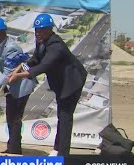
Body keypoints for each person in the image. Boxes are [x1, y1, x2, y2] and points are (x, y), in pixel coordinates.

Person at [8, 13, 88, 156]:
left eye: (42, 30)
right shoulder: (41, 41)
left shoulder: (56, 46)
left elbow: (42, 67)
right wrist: (20, 67)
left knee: (65, 117)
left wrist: (18, 76)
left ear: (50, 29)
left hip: (72, 83)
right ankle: (58, 148)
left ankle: (63, 155)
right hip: (60, 83)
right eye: (36, 30)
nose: (38, 33)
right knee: (61, 115)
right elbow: (35, 60)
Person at [0, 18, 37, 154]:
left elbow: (8, 72)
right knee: (10, 117)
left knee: (15, 119)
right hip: (11, 86)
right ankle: (12, 147)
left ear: (4, 33)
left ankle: (14, 151)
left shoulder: (11, 47)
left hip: (21, 87)